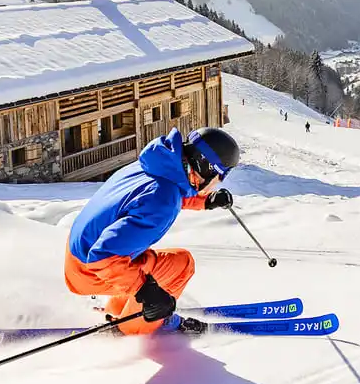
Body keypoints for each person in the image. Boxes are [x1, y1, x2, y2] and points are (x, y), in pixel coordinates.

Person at [64, 127, 240, 335]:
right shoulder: (163, 201)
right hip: (91, 270)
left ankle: (118, 308)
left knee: (149, 263)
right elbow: (103, 256)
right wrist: (146, 292)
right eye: (219, 177)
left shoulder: (157, 162)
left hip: (78, 256)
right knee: (182, 265)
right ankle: (136, 325)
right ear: (206, 168)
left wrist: (206, 200)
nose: (216, 184)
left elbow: (162, 191)